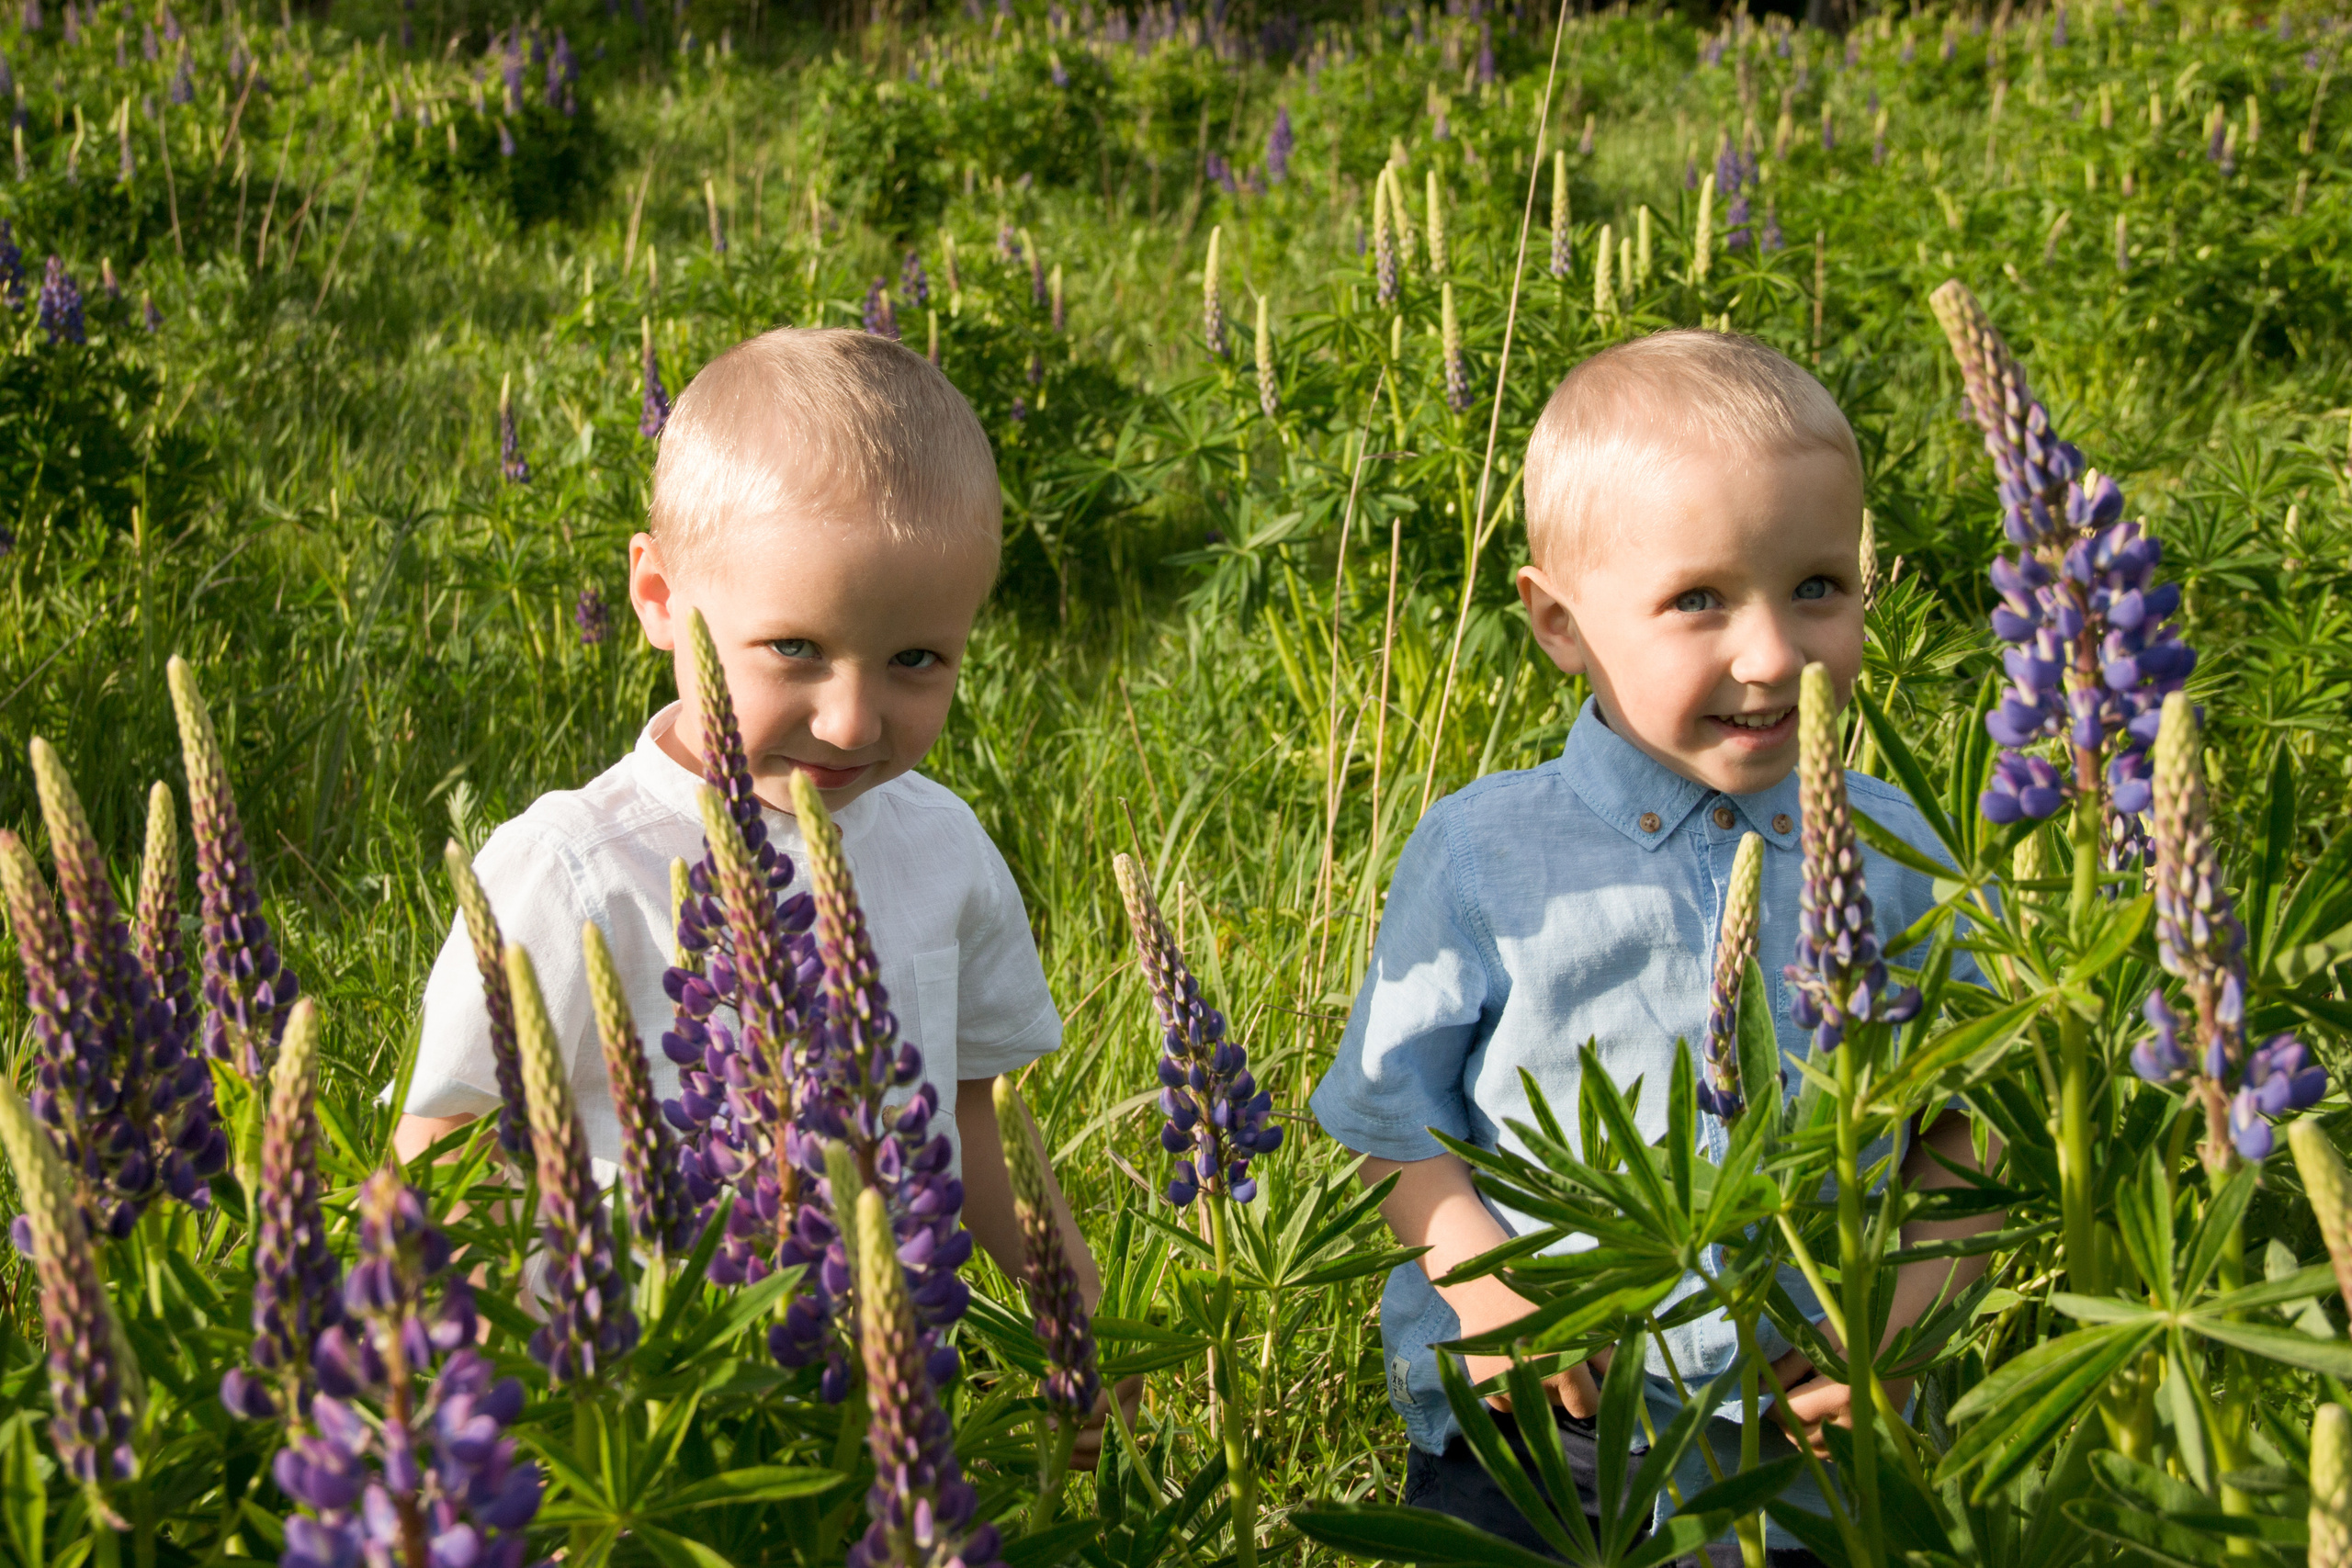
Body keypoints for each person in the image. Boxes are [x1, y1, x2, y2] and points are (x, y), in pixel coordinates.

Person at [1309, 330, 2002, 1565]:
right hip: (1538, 1426)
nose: (1773, 654)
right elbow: (1387, 1121)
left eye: (1817, 587)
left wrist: (1895, 1322)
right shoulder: (1484, 854)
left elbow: (1976, 1121)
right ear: (1560, 623)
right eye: (1700, 598)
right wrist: (1492, 1284)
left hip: (1809, 1432)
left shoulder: (1908, 850)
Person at [395, 326, 1127, 1456]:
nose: (850, 720)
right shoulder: (573, 864)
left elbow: (974, 1127)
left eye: (916, 660)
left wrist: (1071, 1331)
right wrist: (438, 1404)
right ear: (655, 597)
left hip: (877, 1398)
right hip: (624, 1413)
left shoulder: (944, 844)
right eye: (792, 648)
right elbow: (447, 1145)